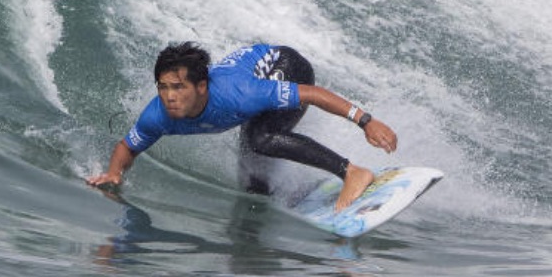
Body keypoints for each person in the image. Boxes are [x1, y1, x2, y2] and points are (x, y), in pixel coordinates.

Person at [88, 42, 398, 212]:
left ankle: (351, 171)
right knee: (252, 182)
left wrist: (366, 121)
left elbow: (313, 95)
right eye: (163, 87)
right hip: (252, 77)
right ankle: (290, 194)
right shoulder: (158, 115)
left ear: (201, 87)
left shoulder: (239, 95)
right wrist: (115, 174)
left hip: (286, 66)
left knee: (260, 137)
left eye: (178, 87)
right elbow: (128, 146)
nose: (170, 96)